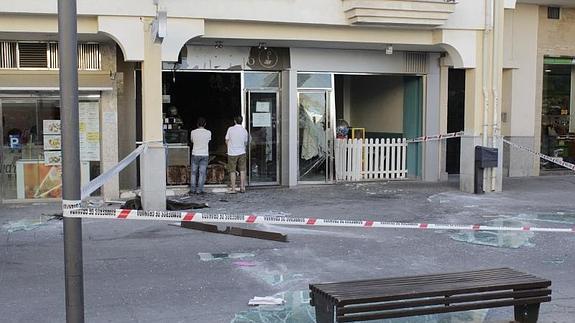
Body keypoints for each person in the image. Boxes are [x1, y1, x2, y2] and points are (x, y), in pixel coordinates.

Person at [225, 116, 249, 193]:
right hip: (242, 152)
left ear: (234, 121)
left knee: (232, 170)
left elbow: (226, 140)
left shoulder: (230, 129)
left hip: (232, 152)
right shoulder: (244, 131)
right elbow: (245, 142)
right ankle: (242, 187)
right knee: (242, 170)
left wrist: (229, 147)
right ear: (241, 121)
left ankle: (233, 188)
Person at [189, 117, 211, 194]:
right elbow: (208, 140)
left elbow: (192, 141)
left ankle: (192, 189)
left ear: (197, 124)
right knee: (202, 172)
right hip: (204, 154)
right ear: (205, 124)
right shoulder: (208, 132)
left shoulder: (193, 132)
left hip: (195, 153)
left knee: (193, 172)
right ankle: (200, 190)